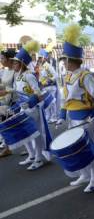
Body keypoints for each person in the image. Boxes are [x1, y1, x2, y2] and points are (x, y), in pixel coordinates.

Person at [56, 24, 94, 192]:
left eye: (64, 60)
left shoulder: (85, 75)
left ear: (70, 60)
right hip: (73, 118)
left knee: (88, 148)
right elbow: (66, 98)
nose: (63, 63)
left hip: (86, 118)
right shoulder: (68, 76)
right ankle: (85, 174)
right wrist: (61, 115)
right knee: (76, 149)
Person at [4, 40, 52, 170]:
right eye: (13, 62)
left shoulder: (29, 75)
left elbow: (38, 93)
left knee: (36, 134)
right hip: (24, 108)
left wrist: (29, 103)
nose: (13, 64)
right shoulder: (18, 76)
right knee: (29, 133)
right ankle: (33, 156)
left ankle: (39, 158)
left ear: (22, 63)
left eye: (15, 62)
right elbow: (19, 91)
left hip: (33, 109)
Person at [0, 48, 16, 157]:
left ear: (9, 59)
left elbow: (16, 87)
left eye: (2, 58)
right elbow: (3, 84)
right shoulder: (5, 70)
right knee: (4, 124)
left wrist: (5, 91)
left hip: (13, 100)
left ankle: (33, 149)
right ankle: (7, 147)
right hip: (4, 99)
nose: (0, 60)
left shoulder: (15, 71)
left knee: (8, 124)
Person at [38, 48, 58, 123]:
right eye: (39, 57)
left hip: (51, 87)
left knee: (52, 102)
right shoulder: (41, 66)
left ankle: (54, 117)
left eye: (40, 57)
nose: (39, 59)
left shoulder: (48, 66)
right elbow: (41, 77)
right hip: (44, 88)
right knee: (46, 102)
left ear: (44, 58)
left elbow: (55, 75)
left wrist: (49, 80)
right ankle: (48, 116)